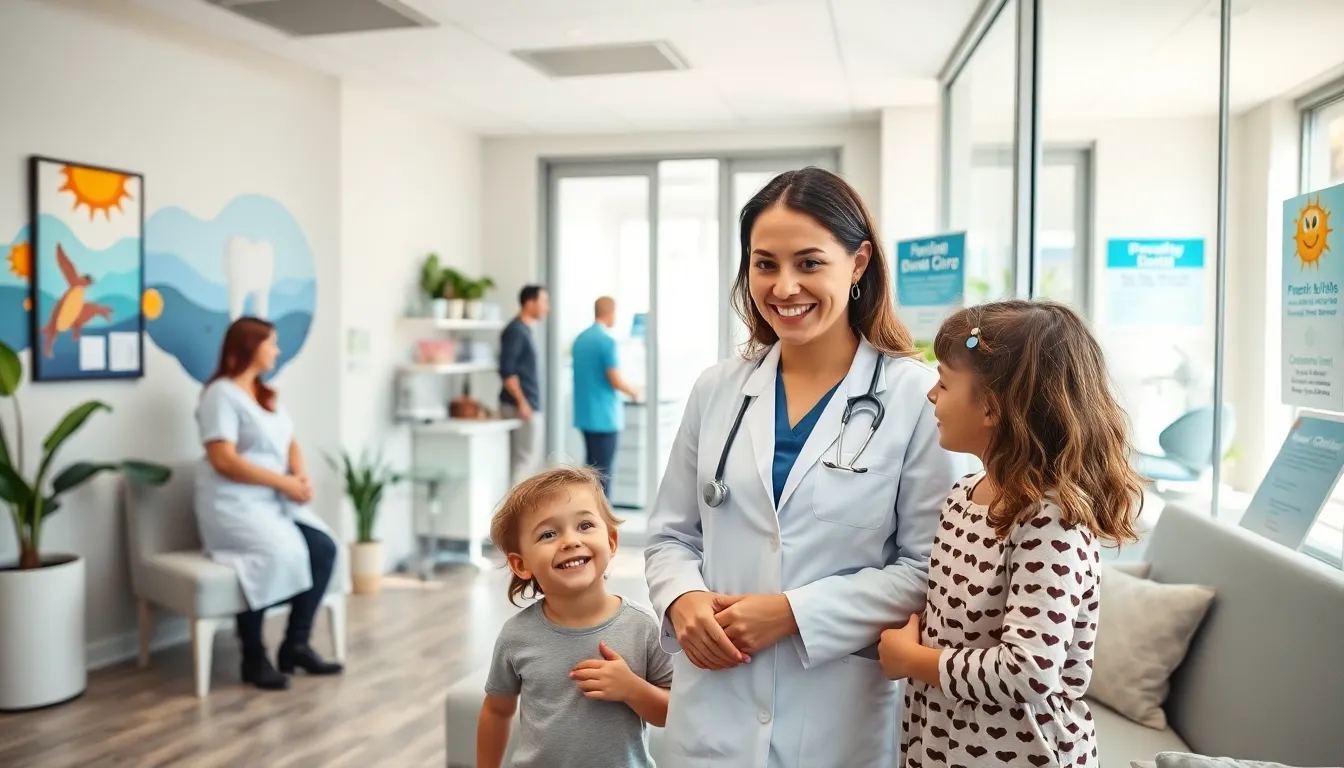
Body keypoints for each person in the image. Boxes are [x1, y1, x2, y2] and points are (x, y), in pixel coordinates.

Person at [643, 167, 963, 768]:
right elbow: (669, 535)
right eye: (765, 264)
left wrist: (794, 614)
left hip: (838, 719)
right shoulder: (717, 391)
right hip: (712, 710)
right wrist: (682, 598)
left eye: (809, 263)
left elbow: (928, 570)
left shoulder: (914, 399)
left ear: (859, 262)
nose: (785, 286)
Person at [878, 300, 1144, 768]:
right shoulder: (963, 495)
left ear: (992, 408)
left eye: (943, 382)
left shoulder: (1049, 523)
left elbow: (1029, 670)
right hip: (940, 742)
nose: (930, 395)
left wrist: (911, 661)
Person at [477, 466, 673, 768]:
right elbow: (497, 711)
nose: (569, 541)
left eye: (584, 526)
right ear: (521, 564)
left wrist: (632, 689)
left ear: (611, 542)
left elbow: (673, 712)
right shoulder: (516, 637)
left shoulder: (642, 627)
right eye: (548, 534)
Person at [194, 316, 345, 691]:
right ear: (249, 347)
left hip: (273, 499)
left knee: (324, 548)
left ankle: (295, 645)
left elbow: (289, 440)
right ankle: (252, 655)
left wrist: (300, 475)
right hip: (233, 504)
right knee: (273, 554)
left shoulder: (266, 394)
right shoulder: (220, 395)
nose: (276, 350)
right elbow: (223, 459)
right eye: (271, 343)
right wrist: (285, 483)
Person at [571, 296, 641, 497]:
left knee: (591, 471)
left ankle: (587, 515)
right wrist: (634, 391)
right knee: (604, 473)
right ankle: (602, 520)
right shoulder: (606, 341)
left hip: (585, 415)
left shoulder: (580, 339)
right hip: (604, 416)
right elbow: (615, 379)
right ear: (610, 312)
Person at [500, 284, 549, 484]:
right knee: (524, 464)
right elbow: (507, 371)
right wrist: (522, 402)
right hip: (522, 407)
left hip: (528, 404)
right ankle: (517, 514)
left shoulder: (526, 330)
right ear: (530, 303)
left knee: (528, 463)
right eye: (544, 302)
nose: (547, 307)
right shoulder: (516, 331)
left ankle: (520, 512)